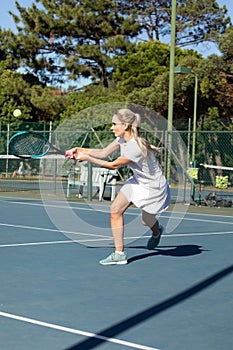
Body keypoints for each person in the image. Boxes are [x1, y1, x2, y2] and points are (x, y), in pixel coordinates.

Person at [67, 108, 170, 265]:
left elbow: (113, 165)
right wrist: (79, 150)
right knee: (115, 210)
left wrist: (87, 157)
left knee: (146, 220)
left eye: (115, 124)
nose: (111, 127)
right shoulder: (121, 140)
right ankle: (119, 253)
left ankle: (157, 232)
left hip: (154, 188)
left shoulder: (134, 147)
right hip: (138, 181)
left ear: (126, 125)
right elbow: (103, 153)